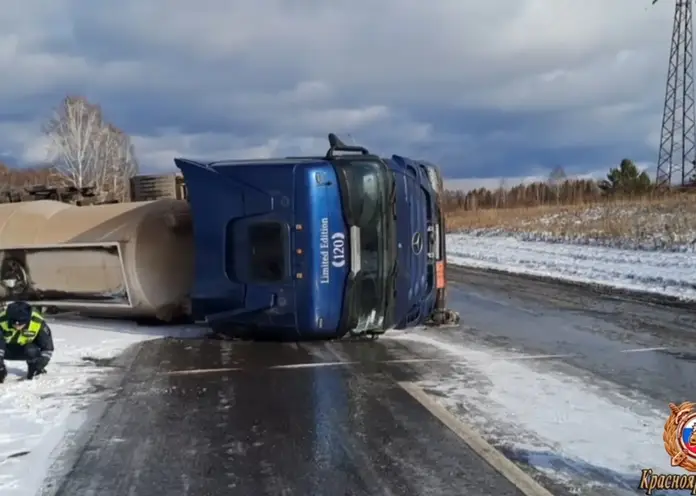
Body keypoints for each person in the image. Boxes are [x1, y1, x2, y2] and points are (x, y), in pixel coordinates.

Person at [0, 302, 54, 383]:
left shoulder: (37, 322)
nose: (17, 325)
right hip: (5, 350)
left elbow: (47, 348)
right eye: (14, 322)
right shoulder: (1, 320)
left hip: (27, 350)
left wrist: (40, 365)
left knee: (31, 350)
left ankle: (34, 369)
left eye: (21, 322)